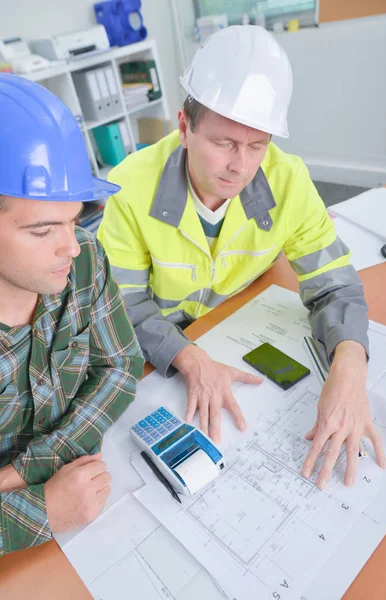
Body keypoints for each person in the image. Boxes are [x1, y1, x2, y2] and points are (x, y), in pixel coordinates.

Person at [98, 26, 386, 489]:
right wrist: (189, 358)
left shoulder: (288, 180)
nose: (241, 166)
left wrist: (350, 364)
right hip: (160, 356)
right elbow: (122, 305)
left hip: (238, 330)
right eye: (225, 143)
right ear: (184, 126)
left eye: (258, 145)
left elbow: (335, 284)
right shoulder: (130, 186)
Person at [0, 73, 144, 555]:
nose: (72, 246)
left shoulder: (82, 257)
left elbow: (121, 367)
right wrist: (43, 510)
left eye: (75, 218)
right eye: (43, 231)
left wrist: (25, 472)